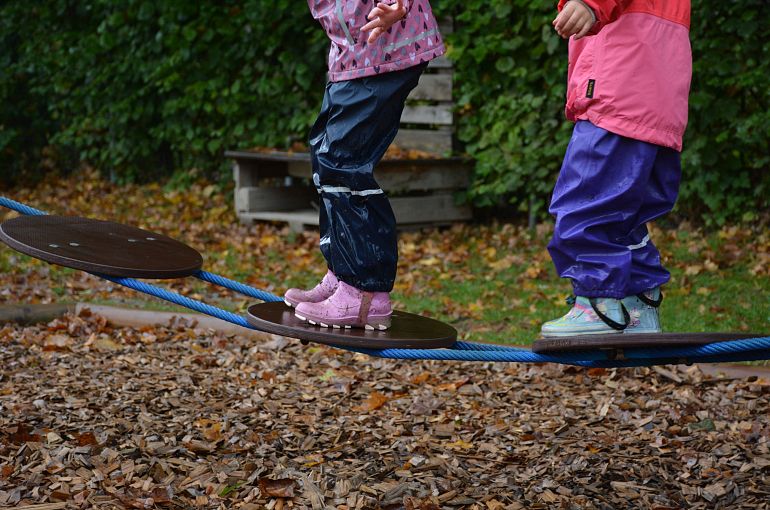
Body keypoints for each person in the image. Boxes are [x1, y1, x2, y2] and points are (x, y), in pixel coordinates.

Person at [284, 0, 445, 330]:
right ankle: (343, 272)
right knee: (325, 157)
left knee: (343, 163)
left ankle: (365, 290)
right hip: (352, 55)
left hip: (384, 48)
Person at [541, 0, 692, 337]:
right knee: (628, 217)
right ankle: (638, 306)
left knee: (585, 201)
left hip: (619, 89)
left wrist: (589, 3)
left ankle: (598, 305)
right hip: (657, 97)